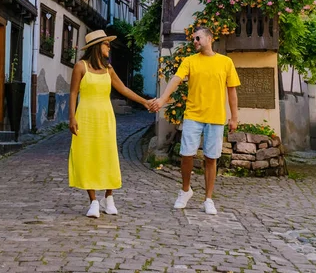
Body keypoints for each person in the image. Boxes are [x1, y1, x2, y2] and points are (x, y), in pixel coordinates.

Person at [151, 26, 240, 215]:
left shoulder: (226, 62)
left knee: (211, 158)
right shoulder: (189, 61)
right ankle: (185, 190)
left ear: (209, 38)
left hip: (215, 118)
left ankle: (208, 199)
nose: (195, 42)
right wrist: (162, 99)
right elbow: (175, 80)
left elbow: (232, 91)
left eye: (198, 38)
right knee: (186, 154)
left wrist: (234, 117)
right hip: (193, 115)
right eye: (193, 39)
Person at [68, 29, 154, 218]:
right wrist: (72, 117)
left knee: (108, 155)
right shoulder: (80, 67)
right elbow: (73, 92)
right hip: (86, 117)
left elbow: (123, 88)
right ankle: (93, 201)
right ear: (97, 47)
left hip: (105, 117)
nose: (109, 47)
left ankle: (109, 197)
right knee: (87, 156)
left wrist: (144, 101)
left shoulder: (109, 69)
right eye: (106, 44)